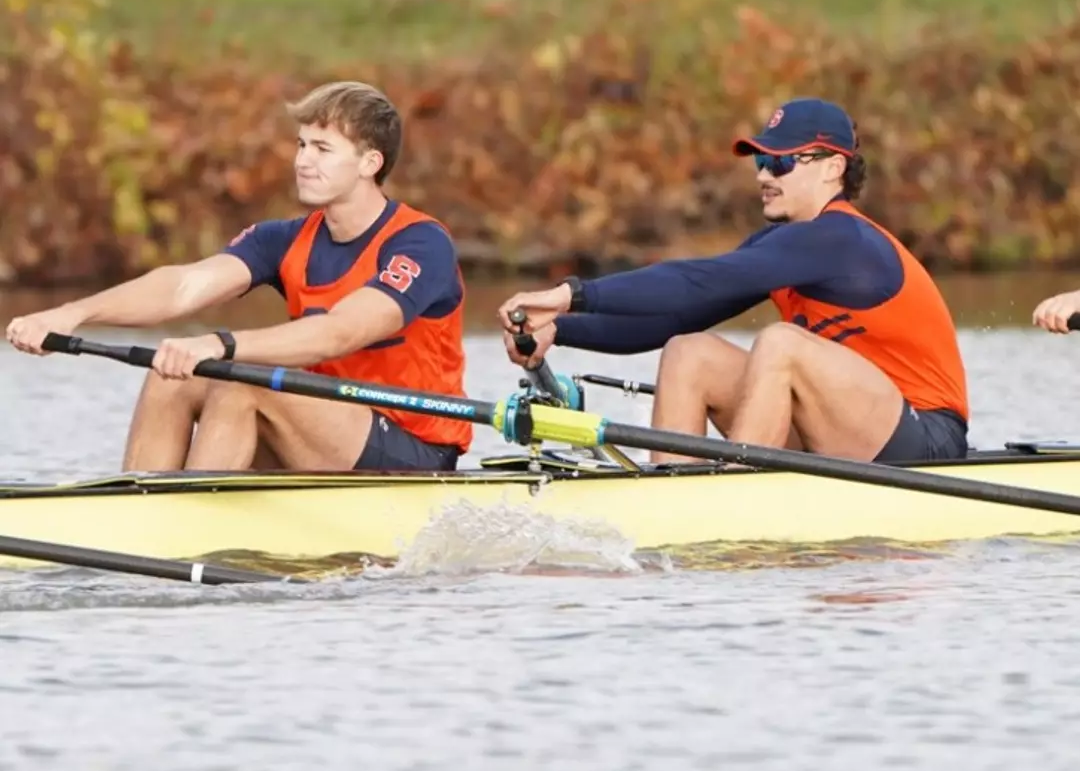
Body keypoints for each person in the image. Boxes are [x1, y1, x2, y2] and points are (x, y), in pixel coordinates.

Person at [6, 80, 472, 473]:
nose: (302, 161)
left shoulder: (419, 244)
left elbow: (340, 332)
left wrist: (221, 344)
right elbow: (183, 286)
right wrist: (73, 313)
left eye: (323, 149)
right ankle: (144, 505)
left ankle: (187, 523)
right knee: (173, 374)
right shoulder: (284, 239)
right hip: (324, 425)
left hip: (415, 444)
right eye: (302, 145)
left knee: (243, 381)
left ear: (370, 163)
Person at [498, 97, 969, 466]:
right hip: (846, 424)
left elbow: (697, 279)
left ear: (833, 167)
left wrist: (570, 294)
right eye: (760, 162)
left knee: (781, 344)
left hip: (926, 441)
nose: (765, 174)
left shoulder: (841, 238)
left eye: (782, 162)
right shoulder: (782, 244)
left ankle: (733, 489)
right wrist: (561, 330)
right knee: (689, 349)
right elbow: (676, 312)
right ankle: (673, 495)